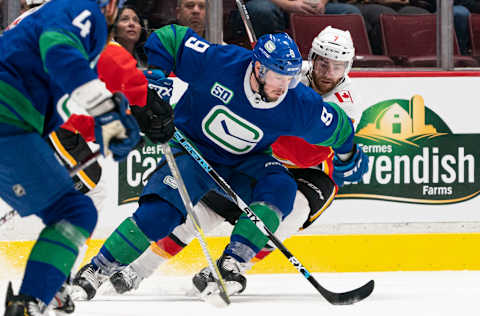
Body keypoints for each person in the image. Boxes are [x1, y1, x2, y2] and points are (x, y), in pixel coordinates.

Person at [71, 25, 368, 302]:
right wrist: (155, 81)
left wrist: (348, 155)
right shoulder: (221, 62)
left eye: (290, 78)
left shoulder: (296, 100)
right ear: (258, 68)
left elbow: (339, 128)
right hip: (193, 149)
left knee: (281, 188)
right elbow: (169, 38)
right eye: (278, 77)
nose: (284, 86)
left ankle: (232, 262)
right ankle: (98, 269)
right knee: (159, 215)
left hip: (247, 162)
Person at [0, 0, 142, 315]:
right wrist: (107, 111)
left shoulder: (42, 13)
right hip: (8, 116)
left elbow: (53, 83)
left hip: (16, 120)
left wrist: (107, 115)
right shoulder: (84, 9)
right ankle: (35, 300)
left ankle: (51, 290)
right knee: (74, 211)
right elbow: (59, 51)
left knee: (72, 205)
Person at [228, 0, 361, 41]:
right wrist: (289, 5)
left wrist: (321, 3)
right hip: (271, 5)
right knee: (261, 10)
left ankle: (337, 64)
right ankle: (272, 56)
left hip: (306, 5)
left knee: (350, 13)